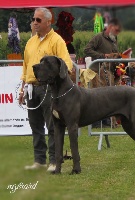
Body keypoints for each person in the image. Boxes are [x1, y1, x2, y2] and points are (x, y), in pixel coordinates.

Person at [19, 7, 73, 171]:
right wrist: (22, 89)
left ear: (49, 22)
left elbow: (66, 64)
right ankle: (39, 160)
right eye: (33, 19)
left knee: (53, 126)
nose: (34, 23)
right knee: (35, 126)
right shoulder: (30, 42)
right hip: (31, 88)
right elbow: (26, 67)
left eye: (38, 20)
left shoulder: (57, 41)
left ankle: (54, 161)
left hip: (49, 89)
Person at [84, 18, 121, 127]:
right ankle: (95, 122)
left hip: (108, 72)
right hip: (96, 72)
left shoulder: (114, 39)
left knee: (106, 97)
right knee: (96, 98)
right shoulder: (98, 37)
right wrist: (102, 56)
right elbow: (87, 50)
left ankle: (106, 121)